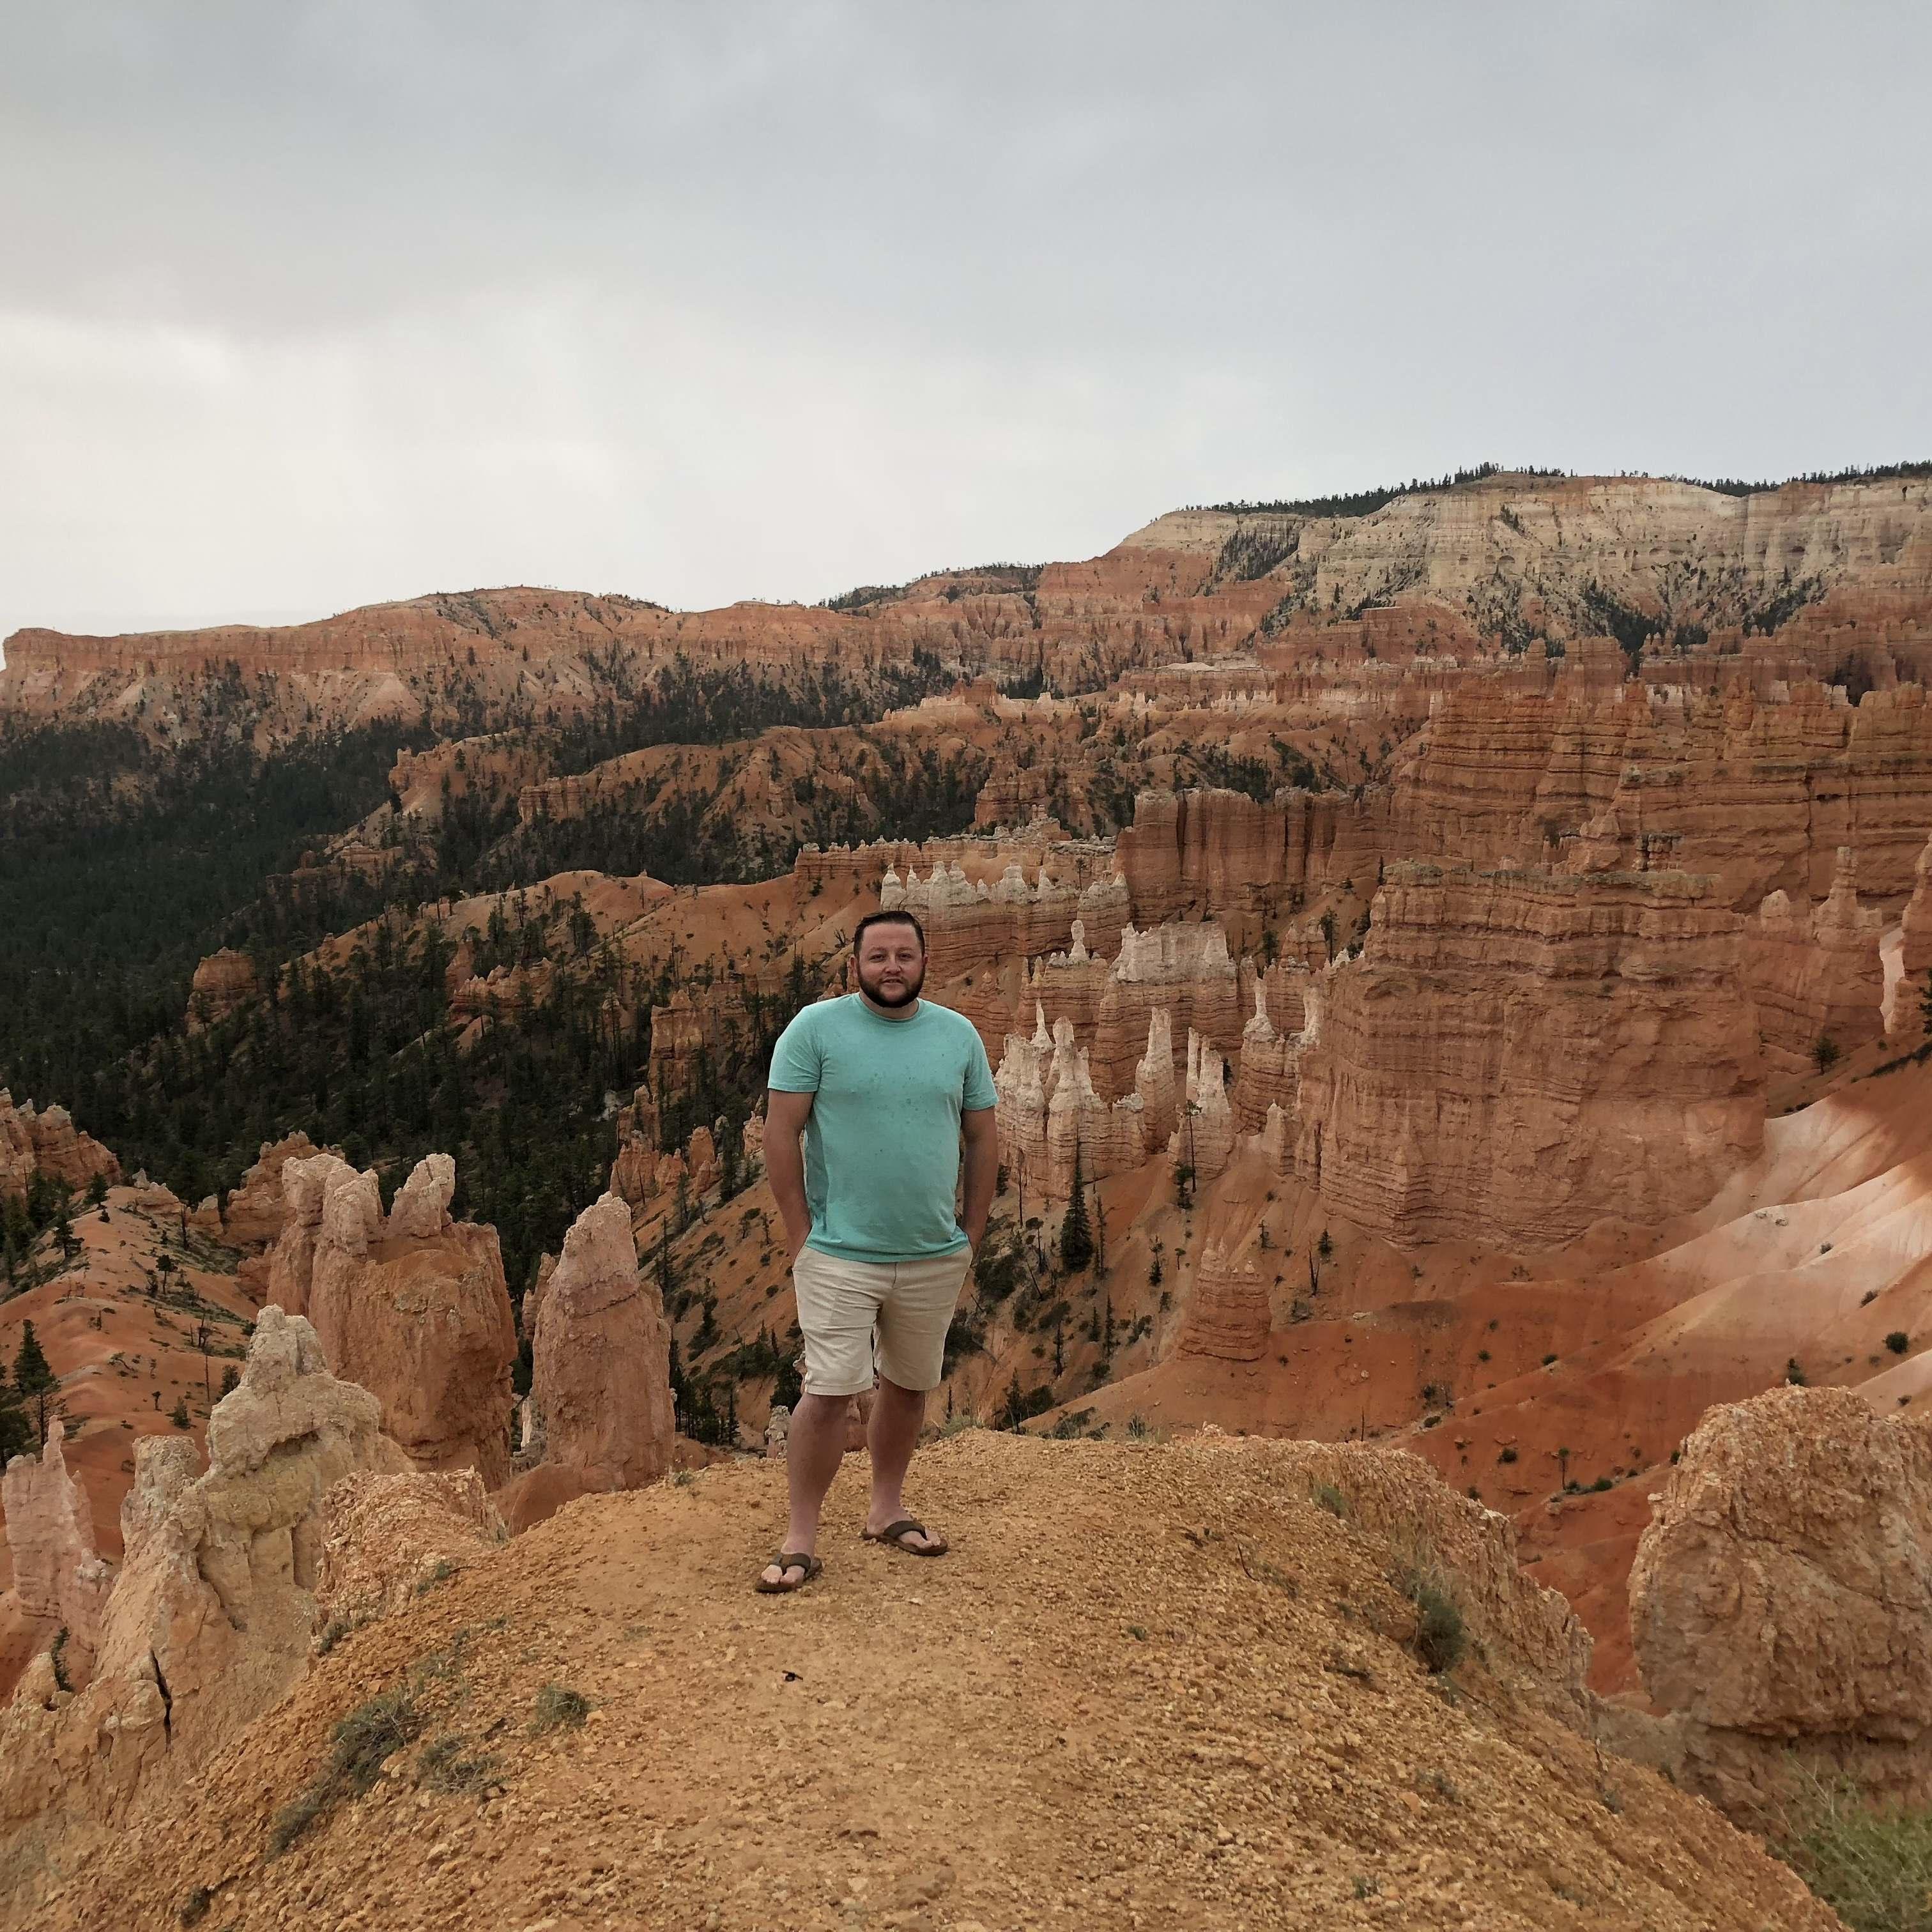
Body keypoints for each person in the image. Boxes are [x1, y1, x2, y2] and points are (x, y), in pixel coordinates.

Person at [755, 908, 998, 1591]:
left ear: (925, 961)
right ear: (855, 964)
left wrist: (970, 1235)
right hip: (838, 1253)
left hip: (932, 1252)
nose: (892, 967)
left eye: (905, 955)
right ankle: (801, 1535)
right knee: (830, 1391)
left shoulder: (959, 1036)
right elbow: (781, 1133)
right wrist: (800, 1235)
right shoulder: (814, 1029)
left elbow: (984, 1137)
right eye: (879, 956)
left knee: (910, 1386)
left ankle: (885, 1508)